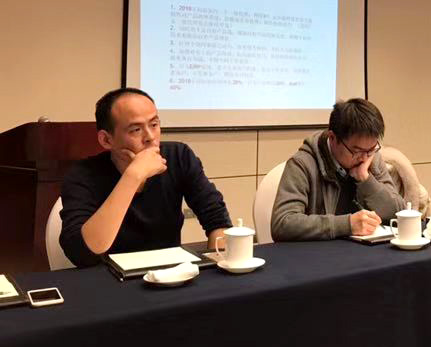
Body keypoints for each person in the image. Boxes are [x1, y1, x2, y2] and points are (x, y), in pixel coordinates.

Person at [60, 88, 232, 268]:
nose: (150, 137)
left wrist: (218, 263)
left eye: (154, 125)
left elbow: (217, 220)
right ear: (106, 140)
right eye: (136, 130)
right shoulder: (83, 174)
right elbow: (81, 254)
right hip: (109, 276)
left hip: (170, 273)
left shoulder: (178, 156)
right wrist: (133, 176)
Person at [271, 98, 404, 241]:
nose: (364, 158)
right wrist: (347, 224)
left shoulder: (371, 159)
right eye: (356, 151)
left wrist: (366, 180)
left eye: (371, 149)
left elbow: (399, 213)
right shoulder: (302, 164)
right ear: (333, 138)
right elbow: (282, 223)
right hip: (320, 252)